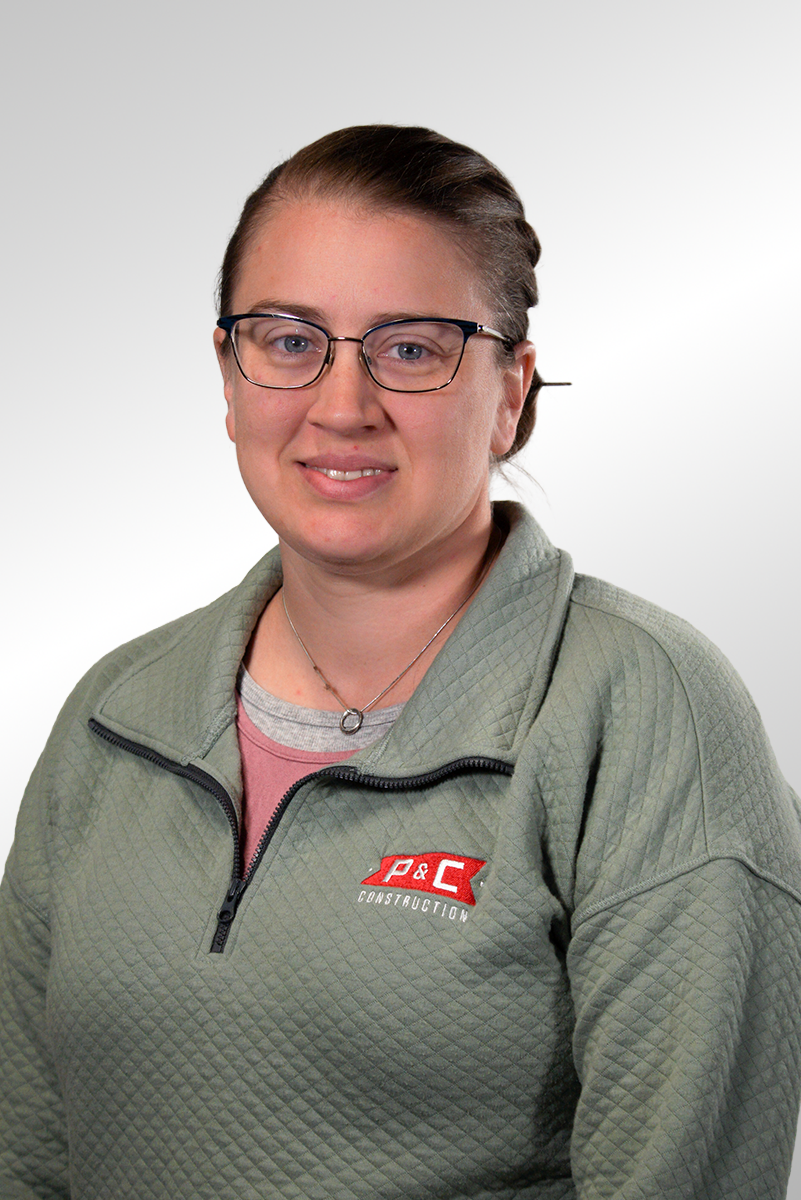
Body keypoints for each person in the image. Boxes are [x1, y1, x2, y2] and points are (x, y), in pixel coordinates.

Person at [1, 125, 800, 1200]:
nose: (342, 404)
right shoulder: (116, 713)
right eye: (289, 341)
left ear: (511, 391)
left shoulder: (644, 714)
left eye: (411, 348)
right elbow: (26, 1153)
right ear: (230, 378)